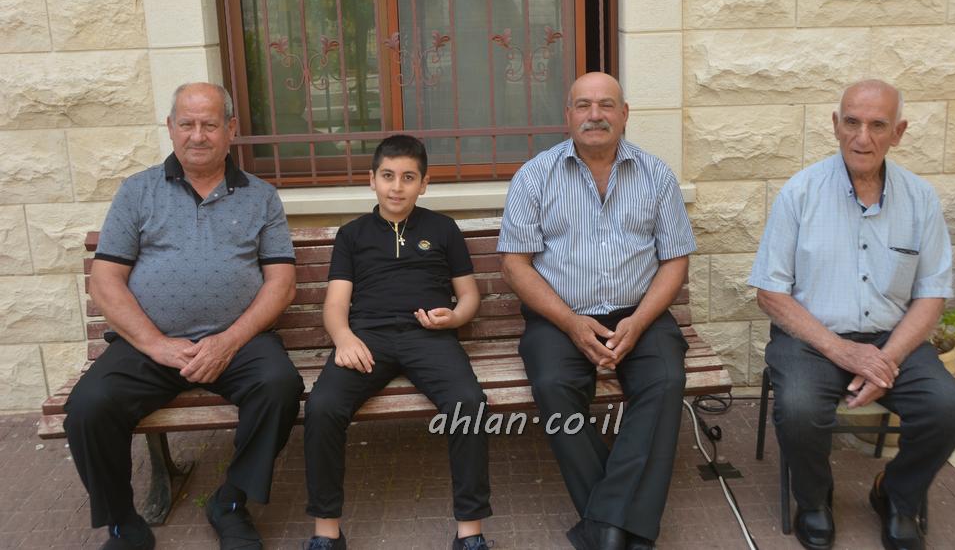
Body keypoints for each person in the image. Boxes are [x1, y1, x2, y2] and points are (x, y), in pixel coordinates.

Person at [65, 82, 303, 550]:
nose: (198, 135)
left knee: (279, 386)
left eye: (209, 124)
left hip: (238, 342)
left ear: (231, 129)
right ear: (170, 128)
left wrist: (229, 341)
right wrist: (156, 344)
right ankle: (124, 524)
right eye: (187, 124)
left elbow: (282, 284)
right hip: (151, 343)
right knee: (89, 407)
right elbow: (106, 280)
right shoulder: (137, 192)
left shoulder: (260, 197)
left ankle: (230, 503)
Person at [748, 79, 955, 550]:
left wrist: (885, 360)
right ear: (836, 125)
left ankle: (896, 494)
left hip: (893, 340)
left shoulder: (920, 199)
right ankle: (814, 500)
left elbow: (931, 295)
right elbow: (770, 291)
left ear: (899, 132)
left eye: (877, 125)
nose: (862, 138)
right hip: (812, 338)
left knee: (949, 409)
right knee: (800, 409)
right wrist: (843, 351)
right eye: (851, 122)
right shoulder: (800, 192)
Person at [498, 72, 697, 550]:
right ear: (568, 115)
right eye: (584, 105)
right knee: (553, 385)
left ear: (624, 114)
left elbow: (675, 260)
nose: (595, 115)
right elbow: (514, 265)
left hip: (640, 313)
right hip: (559, 315)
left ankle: (604, 528)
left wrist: (640, 321)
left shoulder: (656, 175)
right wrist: (569, 322)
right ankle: (624, 525)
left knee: (665, 381)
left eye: (606, 105)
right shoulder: (535, 176)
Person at [302, 135, 492, 550]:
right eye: (387, 176)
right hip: (367, 339)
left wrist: (454, 317)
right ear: (372, 179)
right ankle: (326, 532)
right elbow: (335, 304)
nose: (396, 187)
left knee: (469, 404)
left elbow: (469, 296)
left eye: (408, 177)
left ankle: (470, 532)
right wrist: (344, 338)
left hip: (429, 338)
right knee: (322, 407)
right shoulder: (352, 235)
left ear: (424, 183)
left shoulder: (443, 229)